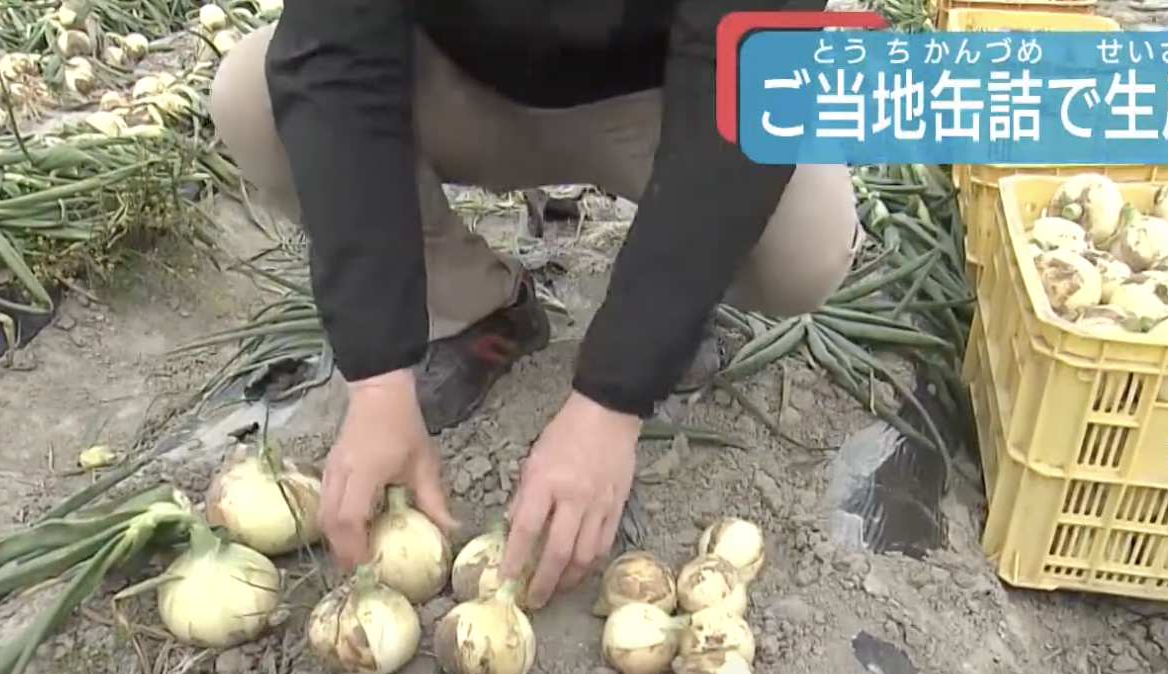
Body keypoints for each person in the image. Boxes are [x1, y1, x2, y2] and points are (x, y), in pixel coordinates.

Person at [208, 0, 860, 609]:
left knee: (805, 244)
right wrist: (377, 376)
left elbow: (747, 75)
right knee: (253, 97)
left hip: (661, 98)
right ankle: (471, 302)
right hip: (455, 81)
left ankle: (674, 296)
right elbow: (332, 54)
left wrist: (614, 395)